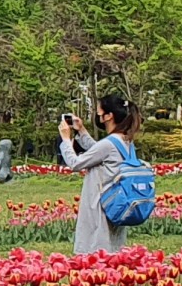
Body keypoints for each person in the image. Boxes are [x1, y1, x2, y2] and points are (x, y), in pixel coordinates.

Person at [58, 95, 141, 257]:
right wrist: (81, 130)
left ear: (109, 116)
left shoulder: (109, 143)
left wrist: (66, 140)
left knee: (96, 254)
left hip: (99, 206)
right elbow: (98, 150)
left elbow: (75, 163)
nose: (97, 116)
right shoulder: (126, 142)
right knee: (113, 252)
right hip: (115, 206)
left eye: (99, 113)